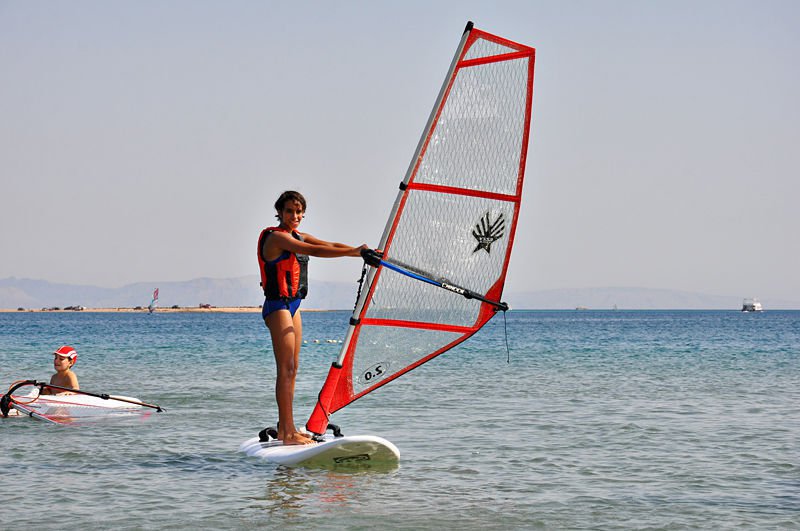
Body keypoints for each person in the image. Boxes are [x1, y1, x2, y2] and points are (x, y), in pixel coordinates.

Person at [258, 190, 366, 445]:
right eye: (289, 211)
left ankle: (287, 427)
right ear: (279, 212)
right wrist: (354, 252)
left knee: (293, 369)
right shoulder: (277, 237)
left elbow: (330, 245)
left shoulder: (298, 235)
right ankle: (287, 433)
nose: (294, 216)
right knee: (285, 369)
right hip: (277, 306)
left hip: (293, 307)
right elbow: (313, 250)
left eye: (298, 212)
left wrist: (361, 251)